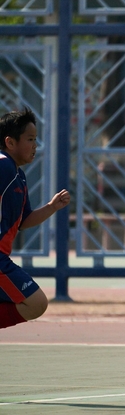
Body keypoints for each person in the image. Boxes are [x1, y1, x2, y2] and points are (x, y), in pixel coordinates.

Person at [0, 107, 71, 329]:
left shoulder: (17, 174)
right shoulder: (3, 165)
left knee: (36, 304)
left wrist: (51, 207)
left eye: (36, 139)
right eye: (30, 139)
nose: (35, 145)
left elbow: (24, 221)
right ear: (10, 142)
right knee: (35, 302)